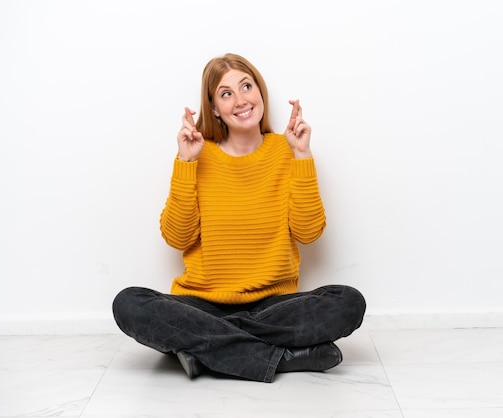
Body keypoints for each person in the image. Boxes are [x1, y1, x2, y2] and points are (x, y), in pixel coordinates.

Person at [112, 53, 366, 383]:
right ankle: (281, 357)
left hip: (273, 306)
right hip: (202, 304)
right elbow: (177, 238)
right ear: (214, 108)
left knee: (347, 301)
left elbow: (309, 232)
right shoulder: (198, 155)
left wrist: (302, 155)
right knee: (129, 303)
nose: (241, 99)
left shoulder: (287, 150)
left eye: (246, 86)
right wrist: (186, 163)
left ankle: (203, 351)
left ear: (260, 92)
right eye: (226, 93)